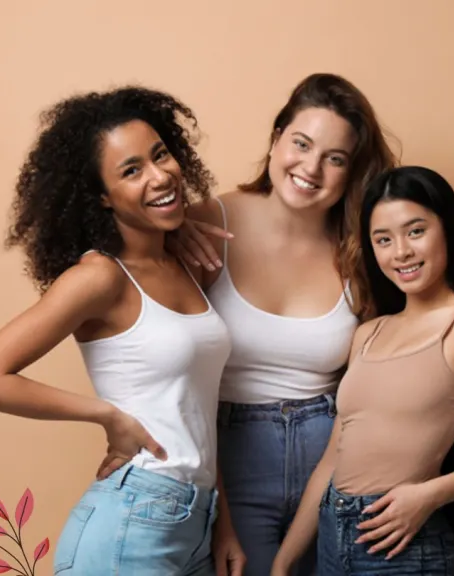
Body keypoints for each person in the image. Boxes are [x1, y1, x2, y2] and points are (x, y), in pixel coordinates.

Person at [0, 86, 245, 575]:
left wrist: (223, 523)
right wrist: (106, 416)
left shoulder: (184, 265)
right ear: (102, 198)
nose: (159, 175)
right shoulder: (101, 277)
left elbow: (196, 409)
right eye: (131, 171)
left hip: (194, 520)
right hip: (133, 525)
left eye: (161, 154)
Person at [165, 73, 397, 576]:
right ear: (275, 139)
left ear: (350, 171)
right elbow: (160, 355)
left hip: (336, 459)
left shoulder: (362, 248)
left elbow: (391, 359)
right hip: (232, 458)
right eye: (301, 143)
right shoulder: (203, 226)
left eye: (334, 158)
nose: (310, 167)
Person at [270, 166, 454, 576]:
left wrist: (428, 496)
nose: (401, 252)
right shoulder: (367, 334)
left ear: (446, 229)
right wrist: (285, 561)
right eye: (383, 239)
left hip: (404, 543)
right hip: (332, 534)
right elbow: (331, 461)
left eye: (416, 231)